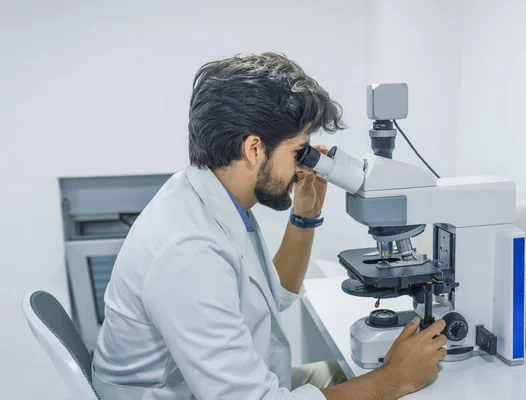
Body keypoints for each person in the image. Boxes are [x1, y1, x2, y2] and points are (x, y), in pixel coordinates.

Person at [92, 52, 447, 400]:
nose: (303, 167)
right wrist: (395, 379)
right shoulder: (189, 253)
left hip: (240, 384)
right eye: (298, 152)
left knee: (351, 373)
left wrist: (305, 217)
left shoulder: (209, 197)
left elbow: (275, 294)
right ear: (253, 149)